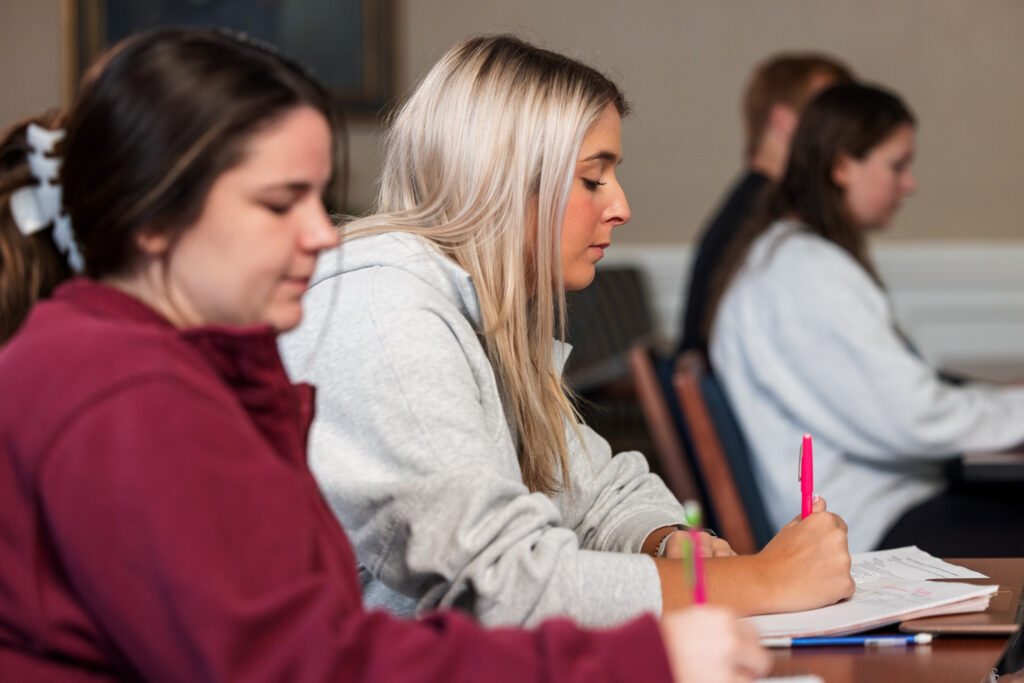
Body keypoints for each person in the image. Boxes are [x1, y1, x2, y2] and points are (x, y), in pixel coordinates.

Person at [0, 28, 771, 682]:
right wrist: (644, 651)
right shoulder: (114, 384)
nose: (321, 232)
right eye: (279, 203)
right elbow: (303, 660)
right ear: (154, 219)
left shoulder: (177, 367)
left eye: (316, 196)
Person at [280, 34, 853, 631]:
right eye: (592, 179)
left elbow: (599, 492)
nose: (621, 207)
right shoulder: (385, 310)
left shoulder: (487, 316)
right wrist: (761, 580)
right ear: (502, 179)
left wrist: (664, 541)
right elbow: (496, 584)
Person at [706, 82, 1024, 556]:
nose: (909, 183)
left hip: (879, 509)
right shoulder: (804, 273)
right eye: (897, 165)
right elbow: (916, 419)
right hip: (867, 528)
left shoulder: (792, 257)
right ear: (840, 166)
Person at [678, 53, 853, 356]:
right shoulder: (773, 219)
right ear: (784, 121)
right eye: (828, 117)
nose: (846, 134)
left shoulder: (752, 204)